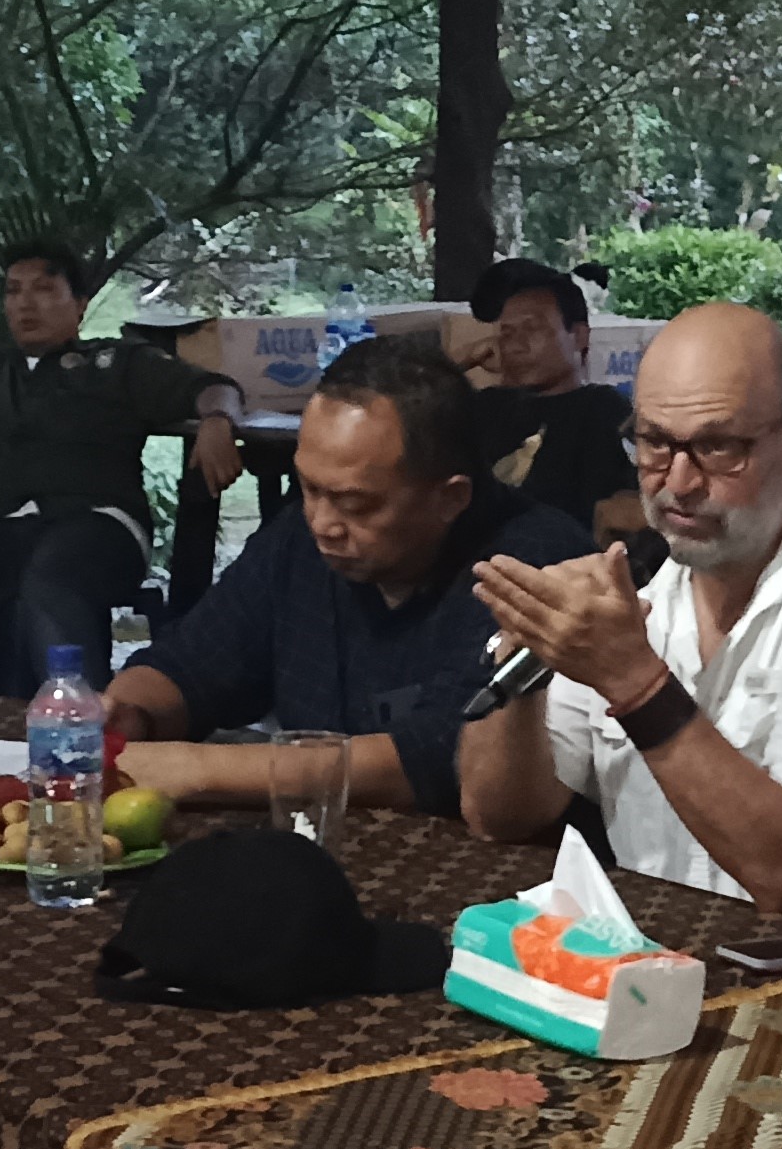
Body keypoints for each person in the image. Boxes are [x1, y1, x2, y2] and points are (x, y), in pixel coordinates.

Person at [463, 304, 782, 948]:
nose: (678, 484)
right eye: (655, 442)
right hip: (677, 968)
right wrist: (523, 654)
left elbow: (781, 870)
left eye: (717, 447)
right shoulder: (644, 586)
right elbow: (501, 817)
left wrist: (633, 680)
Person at [106, 336, 590, 817]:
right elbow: (194, 665)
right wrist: (125, 711)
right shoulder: (301, 539)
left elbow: (437, 759)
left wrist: (195, 769)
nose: (322, 523)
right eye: (309, 489)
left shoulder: (533, 565)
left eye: (356, 504)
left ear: (450, 498)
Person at [0, 244, 242, 694]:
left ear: (80, 304)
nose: (25, 302)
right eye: (14, 291)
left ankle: (85, 725)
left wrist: (218, 421)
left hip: (102, 526)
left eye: (44, 289)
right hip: (6, 529)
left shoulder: (117, 363)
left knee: (53, 572)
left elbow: (214, 386)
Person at [465, 257, 642, 542]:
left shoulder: (601, 410)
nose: (515, 345)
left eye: (532, 329)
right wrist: (465, 358)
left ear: (579, 336)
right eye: (507, 334)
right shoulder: (486, 405)